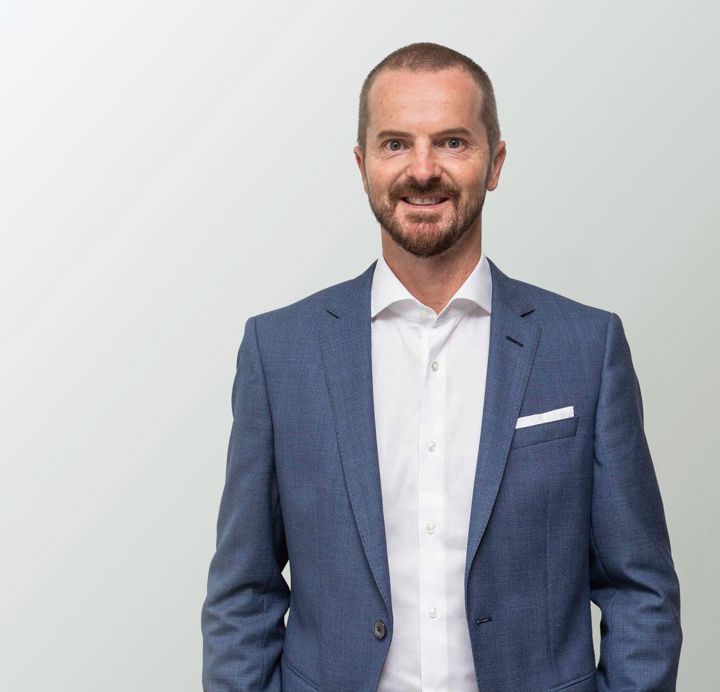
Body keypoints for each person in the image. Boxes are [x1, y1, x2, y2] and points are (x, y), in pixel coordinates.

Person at [201, 42, 682, 692]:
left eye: (452, 142)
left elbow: (640, 589)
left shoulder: (586, 349)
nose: (422, 170)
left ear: (495, 162)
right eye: (395, 144)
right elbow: (242, 593)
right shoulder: (280, 352)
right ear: (362, 165)